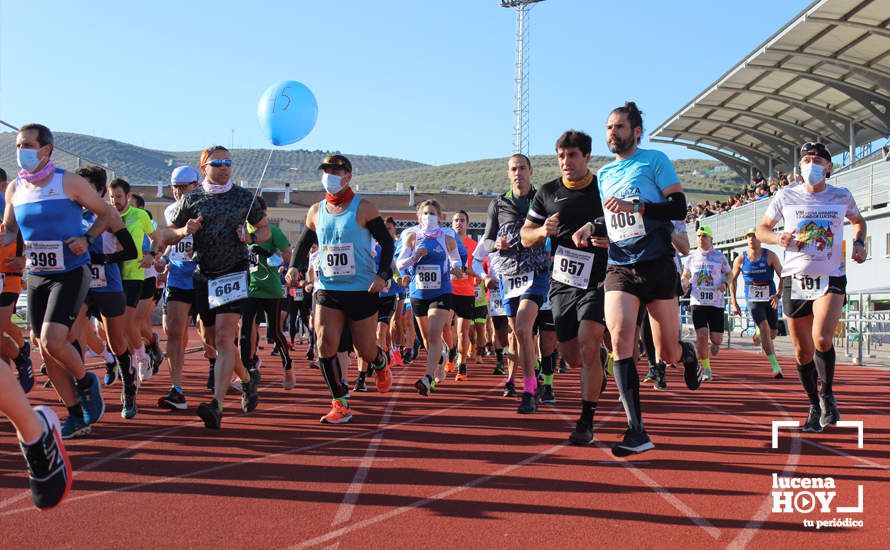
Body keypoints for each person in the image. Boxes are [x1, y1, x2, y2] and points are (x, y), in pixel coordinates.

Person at [574, 102, 699, 456]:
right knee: (620, 341)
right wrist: (592, 227)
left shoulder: (654, 160)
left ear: (636, 131)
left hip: (657, 263)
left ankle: (686, 354)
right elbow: (611, 220)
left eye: (619, 127)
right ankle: (636, 430)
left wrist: (640, 207)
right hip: (620, 266)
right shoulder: (605, 175)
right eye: (608, 128)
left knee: (667, 352)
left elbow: (677, 207)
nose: (612, 133)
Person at [1, 123, 117, 438]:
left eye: (26, 144)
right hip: (38, 274)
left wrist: (87, 237)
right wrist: (4, 234)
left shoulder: (69, 182)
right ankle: (76, 413)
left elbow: (107, 214)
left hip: (70, 271)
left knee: (53, 340)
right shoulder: (16, 188)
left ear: (46, 149)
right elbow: (11, 229)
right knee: (44, 346)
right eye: (17, 145)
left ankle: (86, 383)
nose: (20, 151)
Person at [755, 141, 867, 432]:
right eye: (806, 159)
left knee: (821, 339)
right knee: (802, 353)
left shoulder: (841, 195)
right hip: (796, 280)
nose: (810, 164)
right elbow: (762, 229)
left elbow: (858, 221)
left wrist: (858, 243)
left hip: (831, 276)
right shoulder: (786, 195)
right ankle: (813, 405)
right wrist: (777, 238)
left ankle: (828, 395)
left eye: (817, 159)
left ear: (828, 166)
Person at [166, 145, 270, 429]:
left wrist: (249, 239)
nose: (224, 167)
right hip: (203, 275)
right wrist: (183, 231)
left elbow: (265, 230)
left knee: (225, 338)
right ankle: (248, 381)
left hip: (234, 272)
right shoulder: (192, 199)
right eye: (217, 163)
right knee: (211, 339)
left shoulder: (244, 198)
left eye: (227, 163)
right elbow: (167, 233)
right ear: (204, 169)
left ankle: (217, 405)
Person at [286, 154, 393, 424]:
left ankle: (380, 362)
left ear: (348, 175)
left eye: (336, 170)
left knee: (365, 349)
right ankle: (340, 403)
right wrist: (294, 267)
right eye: (326, 170)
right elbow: (304, 243)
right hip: (328, 287)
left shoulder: (364, 208)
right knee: (324, 344)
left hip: (361, 288)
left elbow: (387, 244)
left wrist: (382, 275)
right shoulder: (315, 211)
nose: (330, 175)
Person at [522, 132, 609, 442]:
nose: (566, 162)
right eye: (561, 156)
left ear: (586, 157)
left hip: (599, 278)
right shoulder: (546, 193)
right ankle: (598, 361)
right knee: (572, 357)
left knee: (588, 340)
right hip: (562, 283)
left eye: (572, 156)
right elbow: (525, 235)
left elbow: (627, 229)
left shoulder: (603, 188)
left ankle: (586, 421)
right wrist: (542, 230)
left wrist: (608, 239)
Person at [482, 154, 550, 413]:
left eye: (522, 167)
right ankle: (535, 381)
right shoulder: (498, 204)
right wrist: (495, 244)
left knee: (523, 329)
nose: (518, 172)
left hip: (536, 272)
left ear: (531, 171)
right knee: (519, 335)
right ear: (508, 173)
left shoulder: (542, 199)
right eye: (513, 169)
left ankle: (529, 390)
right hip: (509, 276)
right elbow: (487, 241)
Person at [74, 166, 139, 419]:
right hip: (80, 286)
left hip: (109, 286)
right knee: (73, 337)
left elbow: (131, 252)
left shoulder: (109, 216)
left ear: (100, 190)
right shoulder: (73, 215)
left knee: (116, 342)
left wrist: (105, 258)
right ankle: (81, 393)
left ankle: (129, 383)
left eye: (86, 186)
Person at [159, 165, 213, 409]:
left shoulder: (208, 207)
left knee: (210, 334)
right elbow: (170, 239)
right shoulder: (171, 210)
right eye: (175, 187)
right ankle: (177, 388)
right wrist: (160, 256)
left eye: (183, 186)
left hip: (204, 276)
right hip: (178, 277)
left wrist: (201, 250)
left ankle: (230, 369)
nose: (178, 191)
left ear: (196, 185)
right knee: (173, 331)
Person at [396, 200, 462, 395]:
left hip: (441, 291)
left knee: (434, 334)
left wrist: (456, 268)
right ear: (419, 217)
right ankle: (440, 360)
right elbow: (400, 263)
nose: (428, 217)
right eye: (425, 213)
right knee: (426, 339)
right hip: (418, 293)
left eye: (432, 213)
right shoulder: (412, 237)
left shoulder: (447, 238)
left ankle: (427, 378)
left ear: (440, 217)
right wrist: (414, 257)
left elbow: (456, 258)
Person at [109, 178, 162, 381]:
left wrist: (151, 254)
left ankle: (141, 357)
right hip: (112, 274)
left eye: (119, 197)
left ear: (128, 197)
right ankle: (125, 358)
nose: (115, 201)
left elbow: (157, 238)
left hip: (134, 274)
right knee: (113, 327)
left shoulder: (139, 216)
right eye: (112, 197)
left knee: (129, 324)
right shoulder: (106, 215)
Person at [242, 195, 293, 388]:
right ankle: (247, 370)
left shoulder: (273, 231)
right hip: (249, 288)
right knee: (245, 331)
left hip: (271, 289)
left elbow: (288, 256)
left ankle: (288, 368)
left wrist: (272, 255)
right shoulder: (242, 231)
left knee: (275, 332)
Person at [729, 228, 784, 379]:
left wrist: (778, 295)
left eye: (754, 236)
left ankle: (759, 333)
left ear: (760, 239)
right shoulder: (740, 259)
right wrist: (734, 303)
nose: (751, 239)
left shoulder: (770, 256)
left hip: (770, 297)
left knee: (772, 333)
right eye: (749, 237)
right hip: (752, 298)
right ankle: (775, 366)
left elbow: (783, 276)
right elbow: (732, 281)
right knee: (765, 328)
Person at [681, 226, 731, 382]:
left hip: (716, 302)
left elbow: (729, 273)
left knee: (716, 339)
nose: (701, 239)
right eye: (698, 236)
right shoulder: (691, 257)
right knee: (701, 335)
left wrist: (725, 284)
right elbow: (686, 275)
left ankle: (715, 344)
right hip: (698, 301)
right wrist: (683, 284)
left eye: (704, 236)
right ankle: (707, 368)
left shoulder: (719, 257)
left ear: (711, 239)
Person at [0, 167, 32, 392]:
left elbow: (35, 235)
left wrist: (24, 257)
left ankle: (21, 358)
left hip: (8, 274)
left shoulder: (15, 208)